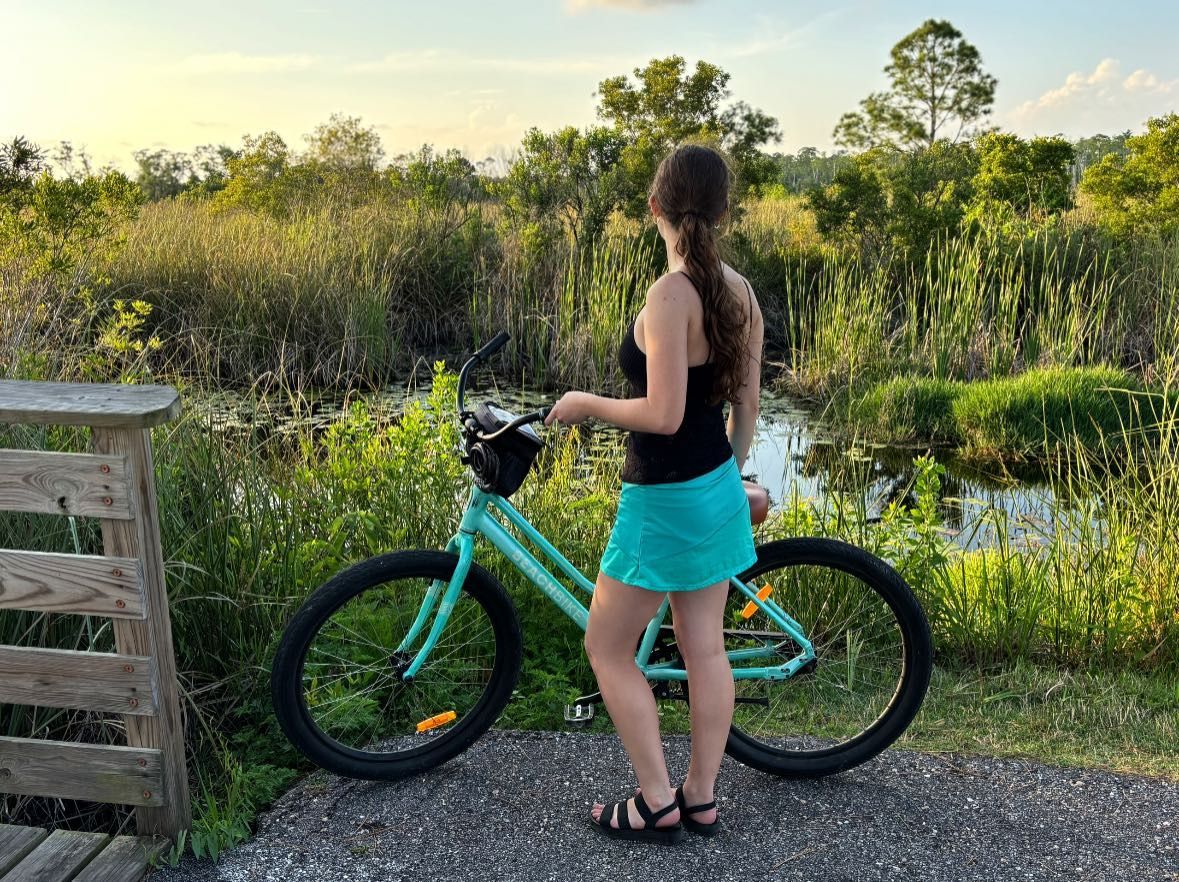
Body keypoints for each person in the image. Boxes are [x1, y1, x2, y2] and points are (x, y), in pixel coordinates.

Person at [543, 143, 763, 844]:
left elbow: (663, 415)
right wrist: (727, 480)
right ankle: (699, 797)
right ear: (724, 208)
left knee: (606, 646)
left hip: (662, 497)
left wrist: (587, 401)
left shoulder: (671, 294)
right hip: (713, 487)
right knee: (705, 647)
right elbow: (746, 406)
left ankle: (655, 799)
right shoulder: (739, 289)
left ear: (654, 206)